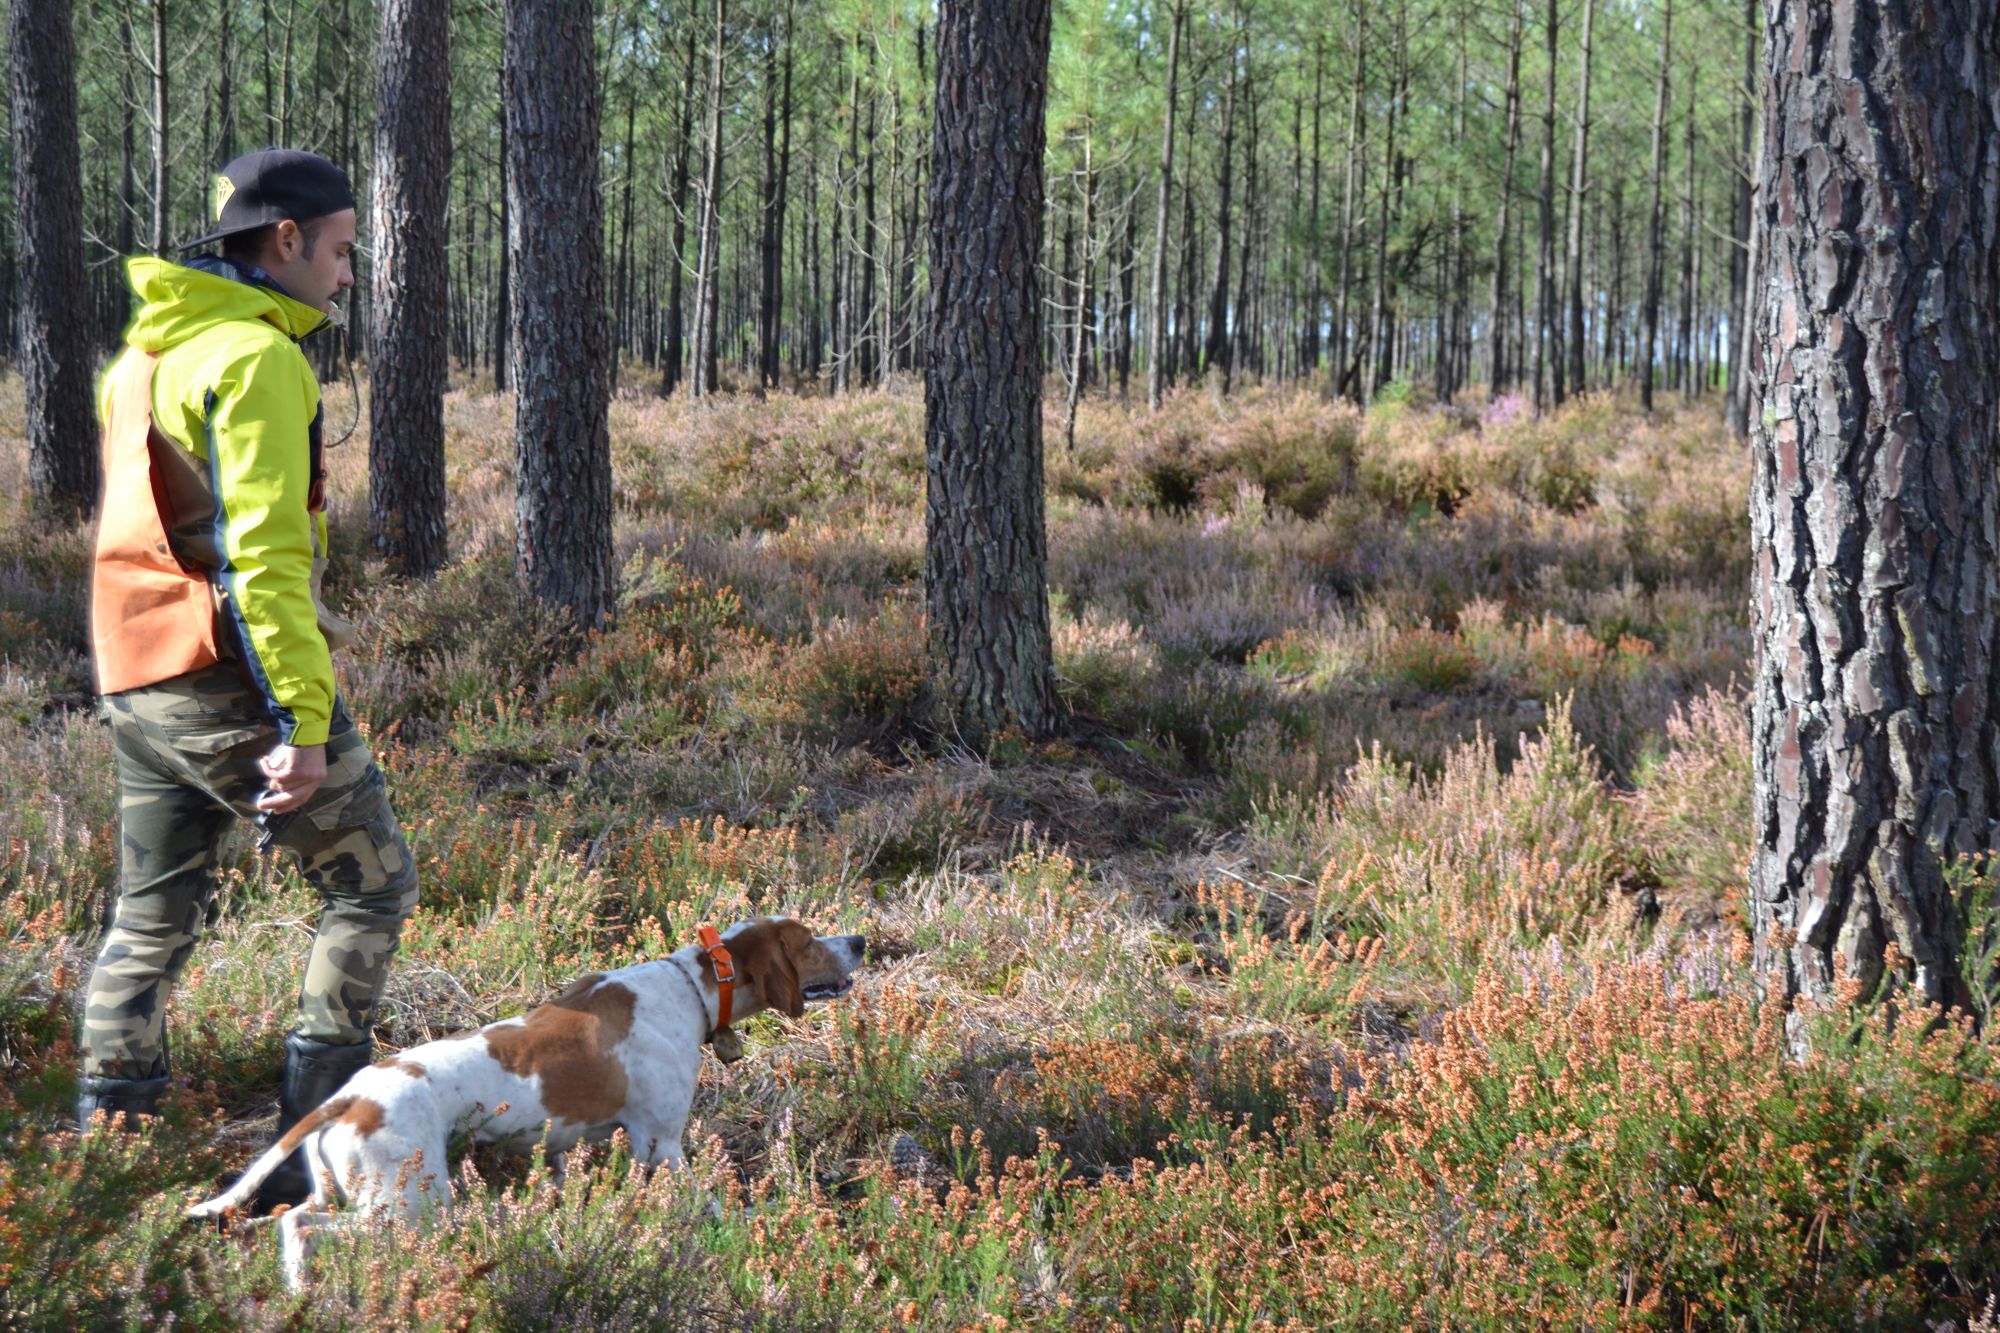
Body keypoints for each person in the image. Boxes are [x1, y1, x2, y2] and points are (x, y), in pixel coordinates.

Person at [78, 148, 419, 1212]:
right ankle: (307, 1160)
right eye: (343, 248)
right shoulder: (256, 360)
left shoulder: (146, 354)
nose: (350, 273)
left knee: (151, 910)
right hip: (227, 674)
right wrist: (302, 723)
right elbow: (262, 557)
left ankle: (106, 1158)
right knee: (370, 882)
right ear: (287, 241)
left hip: (136, 670)